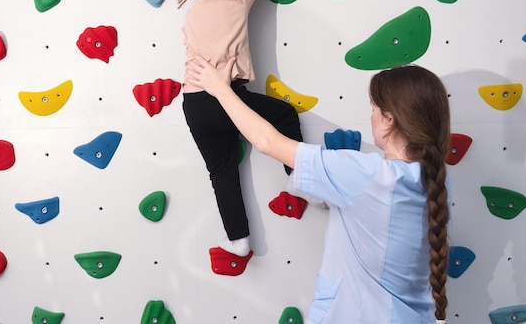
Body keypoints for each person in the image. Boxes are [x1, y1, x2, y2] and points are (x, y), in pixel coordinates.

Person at [185, 55, 451, 324]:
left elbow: (267, 141)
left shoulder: (367, 175)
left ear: (390, 119)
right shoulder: (435, 179)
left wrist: (220, 89)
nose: (371, 117)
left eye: (373, 109)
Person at [177, 0, 307, 276]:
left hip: (193, 104)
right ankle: (300, 178)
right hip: (225, 98)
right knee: (285, 117)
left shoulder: (191, 15)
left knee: (221, 172)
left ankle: (238, 240)